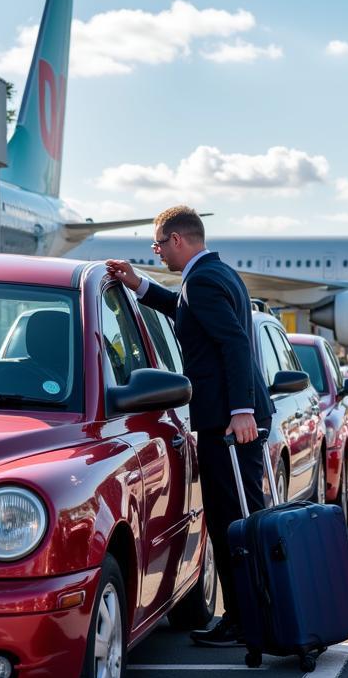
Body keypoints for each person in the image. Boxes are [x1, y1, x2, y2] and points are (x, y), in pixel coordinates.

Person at [106, 206, 273, 648]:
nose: (155, 252)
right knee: (233, 517)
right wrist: (138, 285)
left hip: (228, 420)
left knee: (232, 520)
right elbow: (185, 313)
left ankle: (246, 619)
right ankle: (249, 614)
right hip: (228, 416)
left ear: (178, 239)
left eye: (158, 244)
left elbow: (234, 343)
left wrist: (241, 410)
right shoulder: (214, 274)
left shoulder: (201, 280)